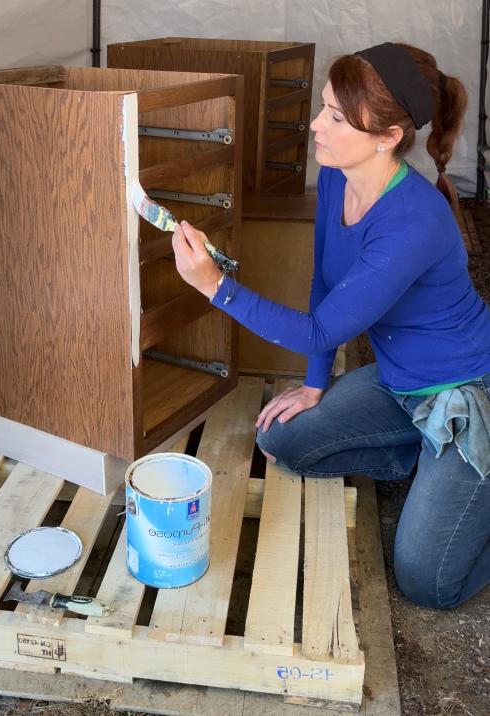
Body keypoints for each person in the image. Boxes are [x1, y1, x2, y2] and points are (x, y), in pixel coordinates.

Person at [171, 41, 490, 610]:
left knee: (427, 582)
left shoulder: (414, 219)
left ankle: (461, 477)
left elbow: (319, 330)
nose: (316, 125)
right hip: (399, 383)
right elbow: (323, 287)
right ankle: (428, 462)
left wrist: (213, 285)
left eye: (337, 118)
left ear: (388, 138)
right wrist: (316, 383)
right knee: (281, 439)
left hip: (463, 391)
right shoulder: (338, 179)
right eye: (323, 106)